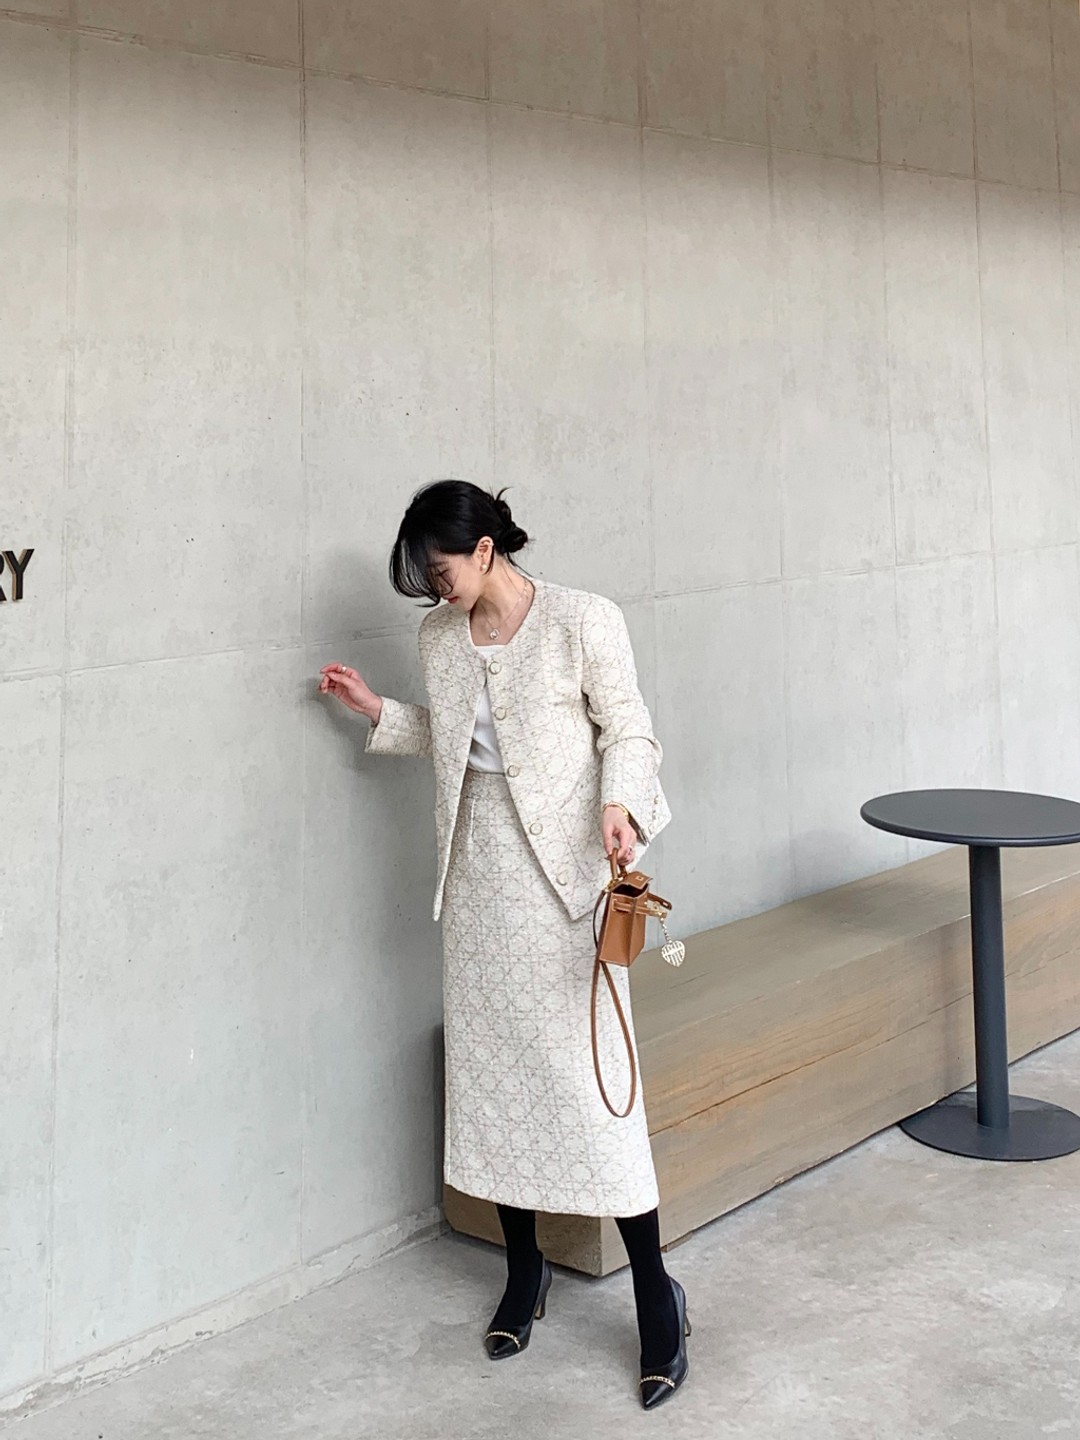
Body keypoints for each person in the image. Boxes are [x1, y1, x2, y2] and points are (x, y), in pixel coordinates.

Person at [318, 479, 690, 1409]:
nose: (433, 589)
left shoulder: (581, 620)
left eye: (440, 569)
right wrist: (376, 710)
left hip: (566, 888)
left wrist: (620, 802)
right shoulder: (439, 639)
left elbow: (629, 728)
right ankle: (525, 1272)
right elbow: (455, 741)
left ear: (486, 548)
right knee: (496, 1085)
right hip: (479, 885)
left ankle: (657, 1294)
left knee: (596, 1094)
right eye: (423, 577)